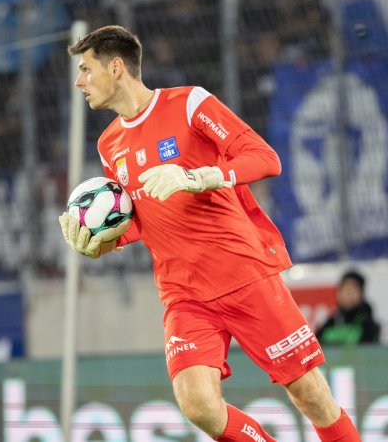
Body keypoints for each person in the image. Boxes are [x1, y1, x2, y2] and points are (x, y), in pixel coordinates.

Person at [59, 26, 361, 442]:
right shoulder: (109, 144)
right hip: (184, 294)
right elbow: (143, 216)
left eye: (86, 69)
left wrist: (199, 177)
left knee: (310, 394)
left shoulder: (189, 104)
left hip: (243, 275)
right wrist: (103, 243)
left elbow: (265, 158)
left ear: (116, 68)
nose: (79, 82)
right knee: (198, 404)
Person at [317, 270, 381, 345]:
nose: (348, 293)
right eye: (345, 289)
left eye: (353, 289)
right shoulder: (331, 322)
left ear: (361, 293)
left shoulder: (368, 325)